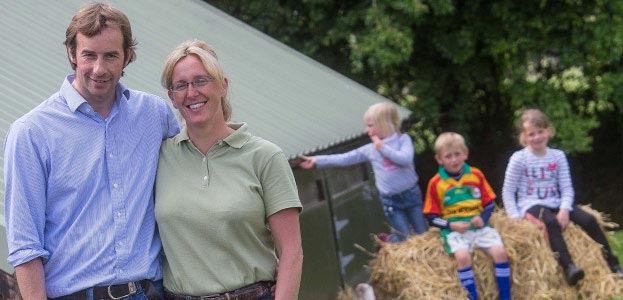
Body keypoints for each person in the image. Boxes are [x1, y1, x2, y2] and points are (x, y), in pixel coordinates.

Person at [3, 2, 180, 300]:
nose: (99, 69)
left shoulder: (154, 115)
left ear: (128, 56)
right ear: (72, 54)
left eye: (111, 55)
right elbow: (25, 246)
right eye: (89, 55)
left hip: (150, 292)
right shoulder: (32, 132)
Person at [156, 40, 303, 300]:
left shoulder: (265, 157)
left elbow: (292, 252)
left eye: (201, 80)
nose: (191, 93)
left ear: (223, 85)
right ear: (172, 98)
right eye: (181, 85)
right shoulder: (160, 157)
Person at [502, 108, 623, 285]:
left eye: (540, 132)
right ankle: (569, 267)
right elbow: (508, 190)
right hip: (531, 204)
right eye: (531, 134)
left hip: (556, 201)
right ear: (524, 137)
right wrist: (514, 216)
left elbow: (566, 188)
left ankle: (612, 262)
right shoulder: (519, 158)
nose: (536, 137)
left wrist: (565, 209)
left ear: (549, 131)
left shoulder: (557, 156)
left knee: (589, 220)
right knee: (551, 222)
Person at [299, 102, 427, 242]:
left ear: (383, 124)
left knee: (423, 233)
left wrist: (382, 148)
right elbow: (345, 158)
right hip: (391, 200)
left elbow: (405, 159)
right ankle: (389, 243)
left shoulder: (403, 140)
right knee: (404, 237)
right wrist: (317, 160)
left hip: (411, 195)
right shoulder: (370, 149)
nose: (367, 130)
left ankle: (392, 241)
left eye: (370, 125)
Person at [423, 132, 511, 300]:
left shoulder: (476, 174)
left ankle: (506, 297)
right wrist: (451, 225)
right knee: (463, 257)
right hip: (455, 230)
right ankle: (472, 297)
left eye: (457, 154)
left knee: (500, 253)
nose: (454, 160)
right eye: (448, 156)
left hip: (479, 226)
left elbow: (490, 203)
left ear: (465, 154)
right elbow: (431, 216)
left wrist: (483, 219)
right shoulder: (436, 183)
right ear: (439, 159)